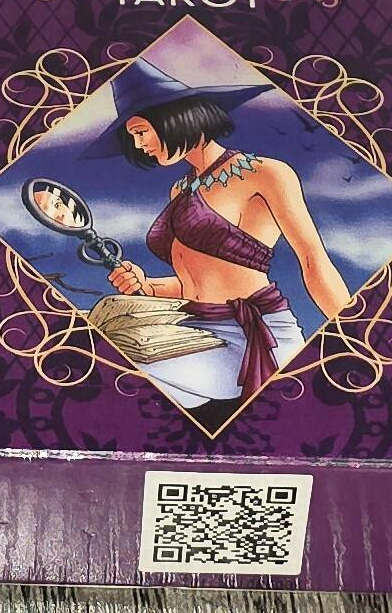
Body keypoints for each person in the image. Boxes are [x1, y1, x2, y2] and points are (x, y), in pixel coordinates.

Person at [105, 87, 351, 421]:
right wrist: (147, 285)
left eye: (140, 132)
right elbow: (199, 282)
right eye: (132, 136)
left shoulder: (266, 173)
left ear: (175, 118)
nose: (138, 145)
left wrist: (349, 337)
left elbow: (312, 260)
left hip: (257, 335)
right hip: (193, 331)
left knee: (124, 367)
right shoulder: (180, 189)